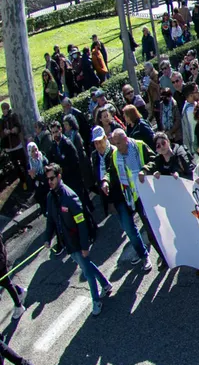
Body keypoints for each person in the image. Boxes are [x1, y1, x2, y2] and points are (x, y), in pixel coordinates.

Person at [45, 162, 113, 317]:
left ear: (59, 177)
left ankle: (96, 301)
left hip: (77, 241)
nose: (50, 182)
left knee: (87, 271)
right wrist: (47, 238)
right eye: (48, 179)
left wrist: (84, 246)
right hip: (67, 242)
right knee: (86, 265)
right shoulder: (51, 197)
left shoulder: (69, 197)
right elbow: (50, 220)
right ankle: (106, 284)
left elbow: (82, 224)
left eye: (52, 178)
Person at [99, 129, 156, 272]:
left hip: (141, 194)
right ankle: (144, 256)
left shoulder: (139, 146)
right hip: (124, 197)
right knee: (130, 230)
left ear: (125, 139)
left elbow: (154, 159)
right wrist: (105, 181)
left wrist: (144, 170)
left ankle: (162, 253)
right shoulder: (115, 154)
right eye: (115, 143)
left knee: (150, 226)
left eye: (118, 143)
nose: (117, 146)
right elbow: (111, 171)